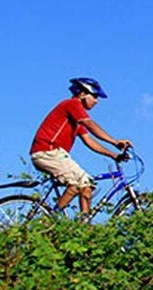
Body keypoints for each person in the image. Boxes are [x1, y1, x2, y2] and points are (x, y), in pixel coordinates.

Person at [30, 78, 133, 214]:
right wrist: (114, 142)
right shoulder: (72, 104)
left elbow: (88, 140)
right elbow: (90, 125)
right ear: (83, 94)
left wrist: (114, 155)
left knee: (87, 184)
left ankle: (84, 225)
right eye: (95, 96)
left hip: (52, 153)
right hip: (48, 151)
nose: (96, 101)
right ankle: (50, 221)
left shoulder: (76, 117)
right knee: (78, 182)